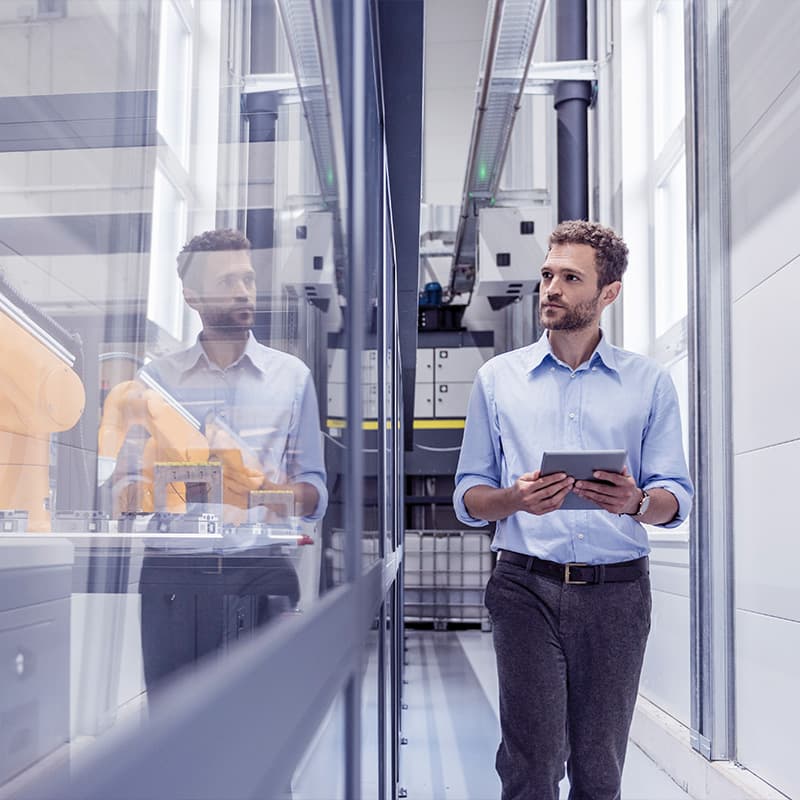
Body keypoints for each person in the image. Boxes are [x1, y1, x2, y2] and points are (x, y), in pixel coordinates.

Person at [453, 220, 693, 800]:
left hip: (617, 595)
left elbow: (676, 499)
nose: (551, 289)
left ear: (607, 293)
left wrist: (635, 502)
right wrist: (514, 500)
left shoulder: (649, 383)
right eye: (547, 275)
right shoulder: (497, 380)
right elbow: (468, 496)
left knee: (598, 768)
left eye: (569, 278)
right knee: (532, 764)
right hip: (524, 586)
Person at [125, 228, 328, 692]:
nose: (242, 291)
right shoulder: (156, 380)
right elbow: (131, 486)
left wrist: (260, 490)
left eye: (248, 279)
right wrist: (193, 483)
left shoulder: (291, 378)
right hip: (174, 574)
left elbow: (314, 491)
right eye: (226, 281)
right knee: (173, 725)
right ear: (191, 295)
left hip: (260, 567)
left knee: (260, 729)